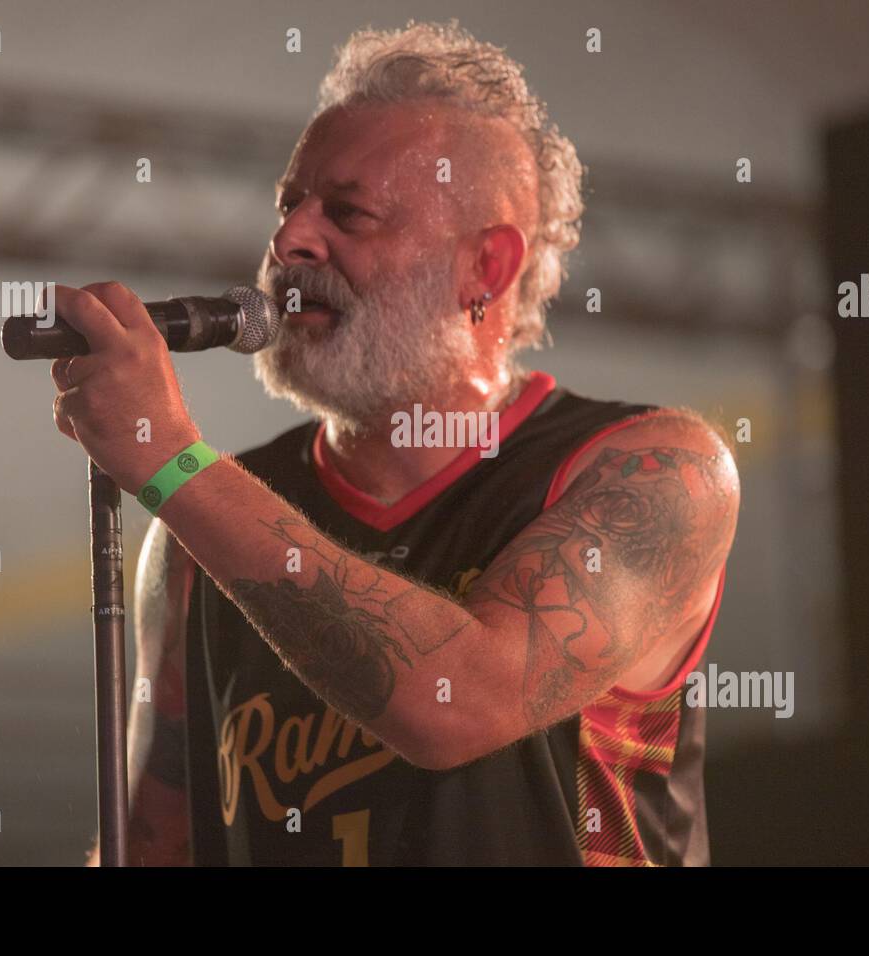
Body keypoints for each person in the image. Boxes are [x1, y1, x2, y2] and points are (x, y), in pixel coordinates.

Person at [66, 20, 739, 866]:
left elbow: (458, 705)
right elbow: (153, 849)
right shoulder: (196, 541)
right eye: (288, 206)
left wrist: (170, 461)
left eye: (348, 213)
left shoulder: (657, 467)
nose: (289, 244)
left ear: (484, 271)